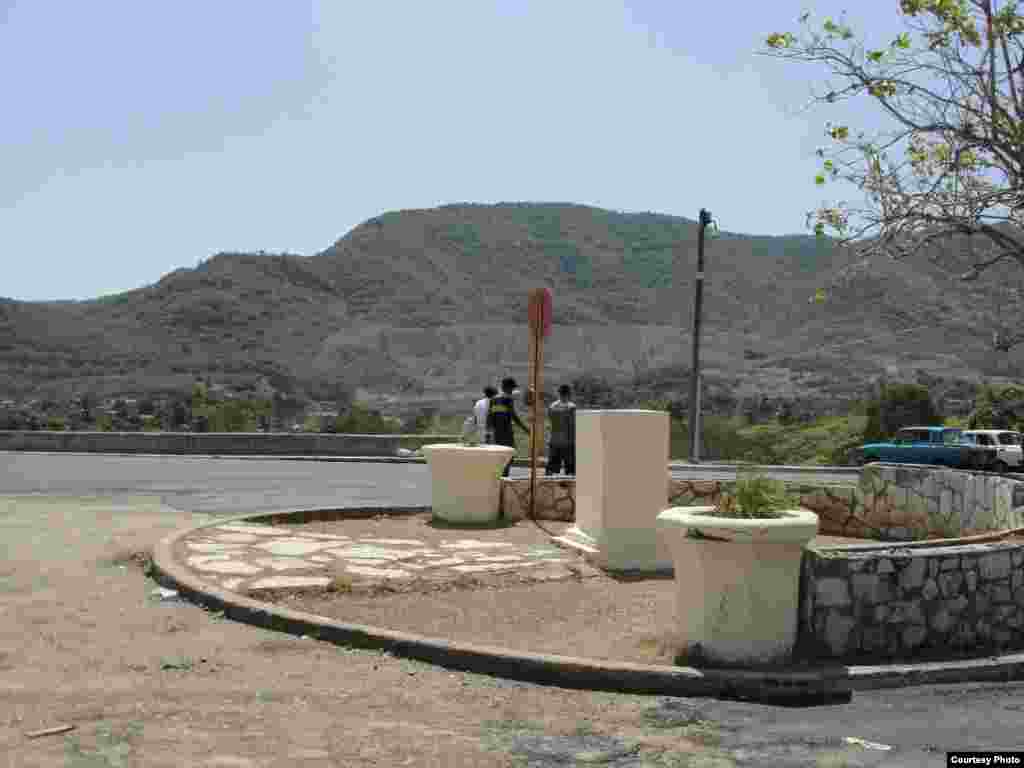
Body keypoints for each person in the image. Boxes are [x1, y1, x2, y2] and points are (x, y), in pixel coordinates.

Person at [487, 377, 530, 477]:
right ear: (507, 387)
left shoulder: (493, 399)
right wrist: (526, 429)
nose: (512, 391)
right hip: (507, 433)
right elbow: (514, 417)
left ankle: (499, 477)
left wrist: (488, 432)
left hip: (496, 434)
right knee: (509, 456)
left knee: (499, 457)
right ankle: (504, 477)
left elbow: (490, 417)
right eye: (512, 388)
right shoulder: (508, 399)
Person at [546, 384, 576, 475]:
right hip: (567, 442)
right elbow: (572, 424)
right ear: (569, 393)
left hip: (554, 440)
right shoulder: (571, 407)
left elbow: (550, 421)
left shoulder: (552, 406)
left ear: (559, 393)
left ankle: (548, 483)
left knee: (551, 469)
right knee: (570, 469)